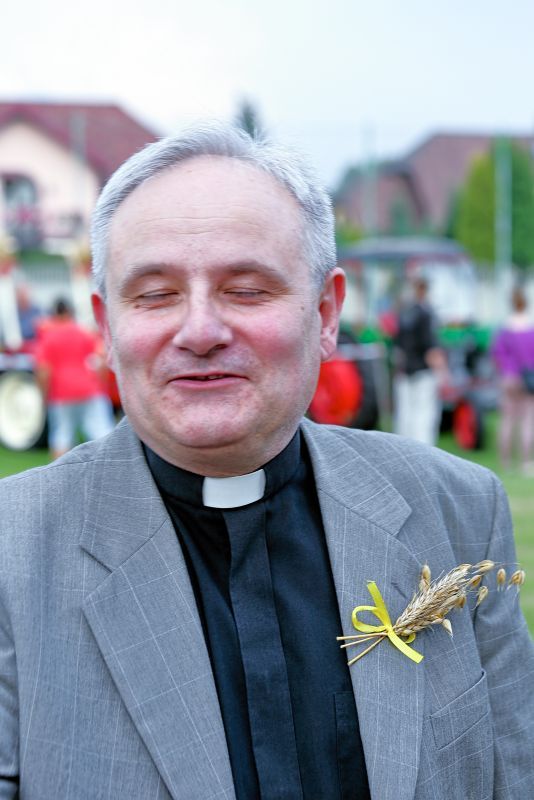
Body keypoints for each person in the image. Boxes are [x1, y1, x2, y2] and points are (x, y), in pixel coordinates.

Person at [0, 122, 533, 800]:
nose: (199, 331)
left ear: (326, 313)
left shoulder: (458, 512)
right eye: (156, 294)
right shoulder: (13, 553)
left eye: (247, 289)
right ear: (106, 327)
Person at [34, 297, 115, 459]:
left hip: (61, 393)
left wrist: (43, 396)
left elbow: (43, 370)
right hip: (90, 389)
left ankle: (58, 473)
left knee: (61, 436)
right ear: (71, 312)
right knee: (102, 433)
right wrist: (102, 385)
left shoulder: (49, 337)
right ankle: (113, 468)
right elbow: (101, 360)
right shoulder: (84, 333)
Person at [393, 276, 448, 445]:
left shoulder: (404, 313)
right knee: (424, 413)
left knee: (405, 414)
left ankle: (404, 448)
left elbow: (398, 345)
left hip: (405, 369)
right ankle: (422, 449)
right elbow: (431, 349)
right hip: (423, 370)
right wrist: (443, 373)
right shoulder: (426, 314)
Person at [491, 286, 534, 474]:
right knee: (527, 420)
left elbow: (496, 355)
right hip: (528, 377)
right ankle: (525, 462)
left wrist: (504, 372)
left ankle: (506, 463)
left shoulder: (504, 329)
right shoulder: (531, 328)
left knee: (507, 420)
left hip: (508, 378)